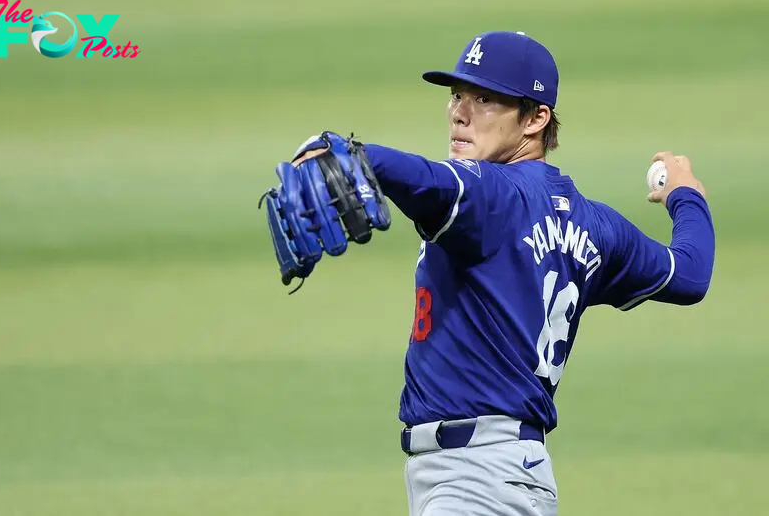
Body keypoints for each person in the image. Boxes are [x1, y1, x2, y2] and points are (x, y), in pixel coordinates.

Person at [285, 30, 715, 516]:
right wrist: (687, 195)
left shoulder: (492, 194)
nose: (459, 113)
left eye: (485, 99)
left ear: (536, 118)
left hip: (478, 481)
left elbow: (428, 179)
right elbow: (689, 273)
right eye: (457, 95)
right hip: (498, 476)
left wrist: (349, 151)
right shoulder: (597, 227)